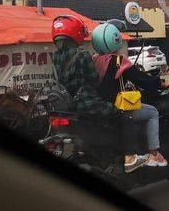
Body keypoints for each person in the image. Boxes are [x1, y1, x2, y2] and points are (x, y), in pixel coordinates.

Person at [51, 15, 148, 173]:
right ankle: (131, 157)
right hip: (87, 102)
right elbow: (93, 78)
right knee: (124, 115)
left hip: (68, 105)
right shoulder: (83, 55)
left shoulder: (55, 56)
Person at [91, 21, 168, 168]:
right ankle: (154, 154)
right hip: (117, 106)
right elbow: (142, 80)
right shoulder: (120, 62)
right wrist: (160, 83)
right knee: (152, 112)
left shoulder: (94, 60)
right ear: (115, 39)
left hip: (99, 106)